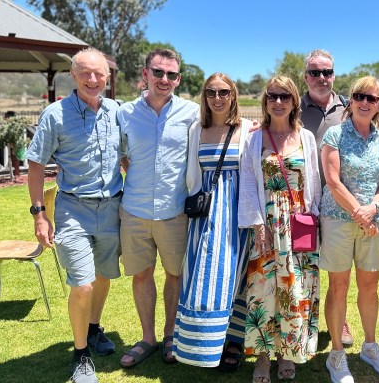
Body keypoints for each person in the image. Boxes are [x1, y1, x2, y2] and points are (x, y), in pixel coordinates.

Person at [27, 48, 122, 383]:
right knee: (82, 284)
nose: (92, 79)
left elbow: (123, 158)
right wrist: (39, 214)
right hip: (73, 211)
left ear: (108, 78)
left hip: (111, 208)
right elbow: (36, 164)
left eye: (98, 74)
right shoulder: (55, 115)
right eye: (85, 73)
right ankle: (81, 354)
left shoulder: (116, 111)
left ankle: (94, 328)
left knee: (103, 276)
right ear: (73, 75)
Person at [116, 49, 199, 368]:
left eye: (172, 75)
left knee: (176, 276)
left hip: (175, 211)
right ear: (145, 73)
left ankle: (171, 336)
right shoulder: (125, 112)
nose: (165, 80)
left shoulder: (191, 113)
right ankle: (148, 338)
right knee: (142, 275)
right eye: (159, 72)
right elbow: (122, 155)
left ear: (179, 78)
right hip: (134, 210)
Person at [238, 75, 321, 383]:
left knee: (295, 289)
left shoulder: (306, 137)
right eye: (272, 96)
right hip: (267, 224)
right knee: (262, 290)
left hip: (299, 225)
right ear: (265, 100)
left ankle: (287, 352)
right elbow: (248, 183)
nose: (278, 101)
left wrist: (315, 220)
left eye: (285, 96)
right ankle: (262, 357)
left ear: (294, 101)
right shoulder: (254, 138)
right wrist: (258, 224)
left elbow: (313, 184)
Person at [320, 76, 379, 383]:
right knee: (338, 286)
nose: (365, 102)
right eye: (360, 96)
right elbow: (333, 180)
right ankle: (336, 354)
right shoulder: (334, 134)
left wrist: (374, 206)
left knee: (370, 286)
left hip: (371, 222)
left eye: (373, 98)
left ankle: (370, 345)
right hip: (338, 219)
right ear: (350, 100)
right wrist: (358, 211)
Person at [175, 73, 253, 368]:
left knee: (235, 276)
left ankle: (232, 342)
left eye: (224, 92)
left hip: (237, 216)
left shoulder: (246, 128)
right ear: (204, 96)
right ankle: (201, 345)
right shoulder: (197, 129)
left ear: (233, 95)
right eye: (211, 92)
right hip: (206, 215)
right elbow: (191, 173)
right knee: (204, 276)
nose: (217, 98)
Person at [299, 49, 355, 346]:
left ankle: (340, 320)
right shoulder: (292, 108)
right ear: (305, 76)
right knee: (304, 263)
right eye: (315, 72)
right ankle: (304, 320)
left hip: (337, 202)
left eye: (327, 72)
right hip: (303, 201)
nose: (322, 78)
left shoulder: (348, 107)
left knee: (337, 266)